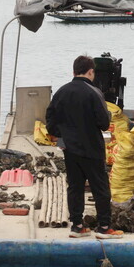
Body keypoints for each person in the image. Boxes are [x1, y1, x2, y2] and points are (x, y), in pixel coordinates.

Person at [45, 55, 115, 239]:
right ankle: (104, 227)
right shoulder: (94, 92)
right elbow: (104, 124)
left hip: (69, 149)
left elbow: (50, 122)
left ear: (74, 71)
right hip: (92, 148)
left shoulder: (61, 92)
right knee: (100, 187)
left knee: (75, 187)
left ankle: (77, 226)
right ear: (91, 72)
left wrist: (62, 137)